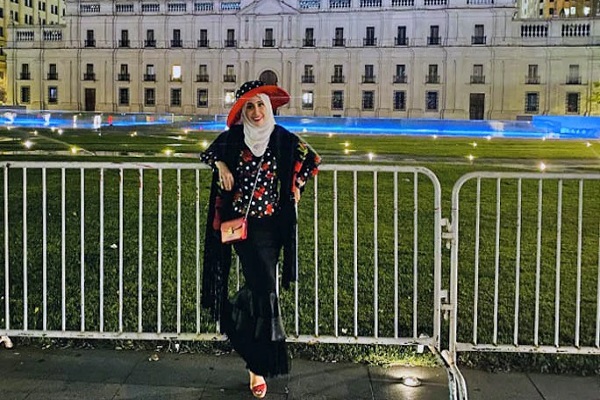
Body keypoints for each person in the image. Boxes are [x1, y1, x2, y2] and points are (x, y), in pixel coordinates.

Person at [200, 81, 320, 398]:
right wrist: (221, 164)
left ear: (269, 107)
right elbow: (207, 153)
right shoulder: (234, 138)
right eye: (249, 107)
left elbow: (311, 160)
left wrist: (296, 187)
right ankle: (258, 364)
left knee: (261, 289)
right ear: (243, 111)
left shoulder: (282, 138)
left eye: (260, 105)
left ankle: (236, 323)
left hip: (271, 228)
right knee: (266, 288)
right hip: (243, 229)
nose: (255, 112)